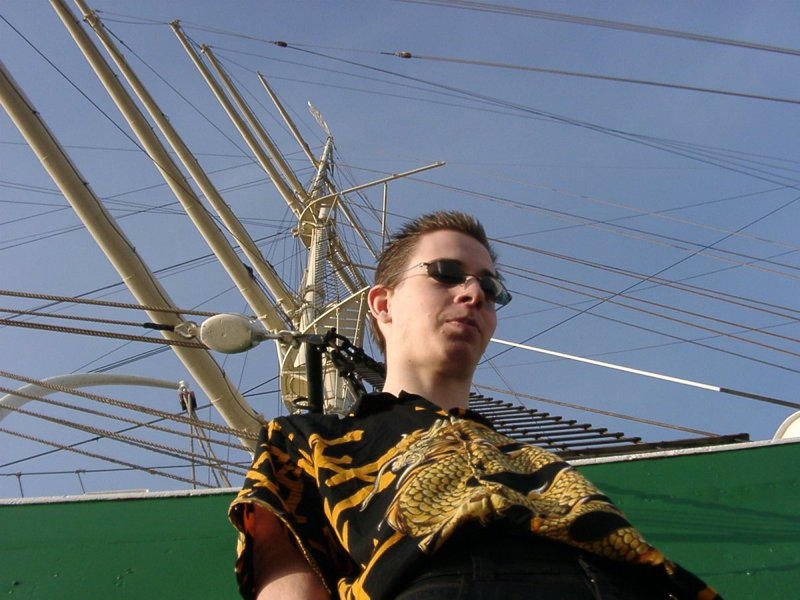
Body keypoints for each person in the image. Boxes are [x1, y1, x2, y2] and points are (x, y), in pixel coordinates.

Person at [229, 211, 722, 600]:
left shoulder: (534, 460)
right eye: (446, 274)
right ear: (382, 304)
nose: (472, 293)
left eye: (489, 287)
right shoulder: (308, 441)